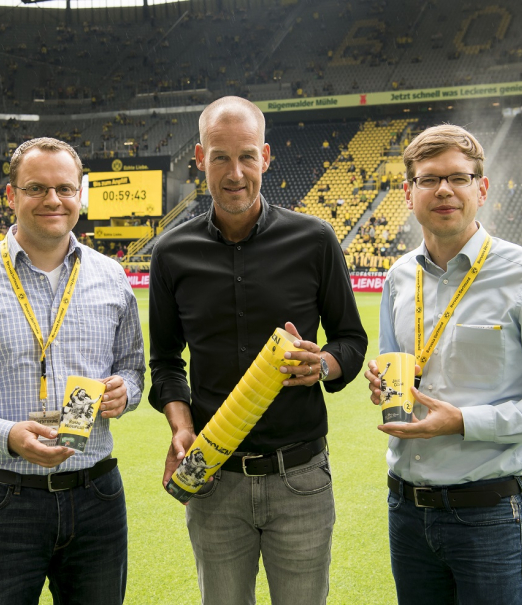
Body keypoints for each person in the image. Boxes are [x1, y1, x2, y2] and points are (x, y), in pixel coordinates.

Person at [364, 125, 522, 605]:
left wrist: (464, 422)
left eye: (459, 177)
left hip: (488, 513)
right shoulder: (398, 277)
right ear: (409, 194)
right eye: (428, 180)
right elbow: (399, 371)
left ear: (482, 189)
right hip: (405, 510)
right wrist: (385, 387)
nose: (444, 189)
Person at [149, 96, 367, 605]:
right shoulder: (172, 253)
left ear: (266, 157)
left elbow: (351, 341)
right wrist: (181, 426)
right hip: (214, 480)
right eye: (220, 157)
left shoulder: (314, 240)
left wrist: (324, 363)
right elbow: (164, 362)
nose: (235, 172)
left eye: (246, 156)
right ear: (200, 158)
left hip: (301, 479)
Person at [0, 137, 145, 605]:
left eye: (64, 188)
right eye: (37, 188)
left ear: (81, 194)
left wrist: (127, 391)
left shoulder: (112, 277)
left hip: (95, 495)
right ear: (12, 195)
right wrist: (6, 435)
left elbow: (132, 368)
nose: (52, 200)